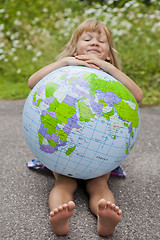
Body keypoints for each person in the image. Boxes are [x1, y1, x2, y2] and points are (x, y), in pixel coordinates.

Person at [28, 19, 143, 236]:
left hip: (101, 156)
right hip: (63, 150)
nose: (94, 43)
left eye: (102, 41)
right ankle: (59, 217)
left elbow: (137, 96)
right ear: (75, 48)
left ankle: (105, 217)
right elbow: (32, 83)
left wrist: (107, 67)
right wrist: (66, 62)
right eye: (87, 39)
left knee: (99, 185)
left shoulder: (110, 78)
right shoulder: (66, 71)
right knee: (63, 182)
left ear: (109, 53)